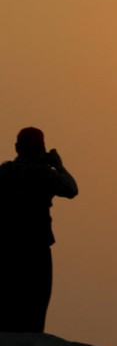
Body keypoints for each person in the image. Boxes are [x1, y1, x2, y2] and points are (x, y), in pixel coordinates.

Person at [0, 127, 78, 332]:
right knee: (36, 304)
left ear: (17, 148)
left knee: (9, 302)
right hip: (37, 246)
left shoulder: (4, 173)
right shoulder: (45, 175)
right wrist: (59, 166)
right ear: (41, 149)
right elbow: (71, 189)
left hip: (8, 247)